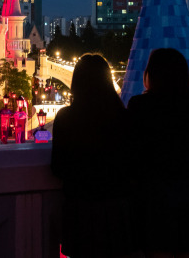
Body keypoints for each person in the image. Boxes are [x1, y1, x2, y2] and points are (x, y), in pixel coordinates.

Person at [51, 54, 137, 258]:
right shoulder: (124, 118)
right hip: (118, 208)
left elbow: (58, 167)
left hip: (80, 208)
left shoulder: (65, 117)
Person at [127, 48, 189, 258]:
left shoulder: (139, 105)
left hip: (153, 194)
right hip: (188, 191)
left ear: (151, 74)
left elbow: (133, 147)